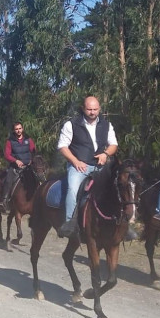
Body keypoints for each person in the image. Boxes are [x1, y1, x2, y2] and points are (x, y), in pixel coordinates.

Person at [57, 96, 119, 238]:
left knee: (118, 187)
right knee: (72, 189)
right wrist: (75, 161)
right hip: (79, 167)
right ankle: (69, 223)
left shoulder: (107, 125)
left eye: (95, 109)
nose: (92, 112)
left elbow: (113, 145)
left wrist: (105, 154)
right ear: (83, 109)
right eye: (89, 109)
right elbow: (62, 146)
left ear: (100, 109)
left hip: (100, 166)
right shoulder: (71, 124)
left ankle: (122, 224)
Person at [0, 121, 36, 213]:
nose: (18, 131)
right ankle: (4, 200)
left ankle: (40, 199)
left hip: (28, 166)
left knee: (38, 177)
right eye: (16, 129)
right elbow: (7, 155)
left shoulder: (28, 139)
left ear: (22, 129)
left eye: (20, 128)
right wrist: (16, 161)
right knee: (8, 180)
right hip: (15, 167)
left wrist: (32, 159)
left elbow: (34, 151)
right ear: (14, 130)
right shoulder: (10, 141)